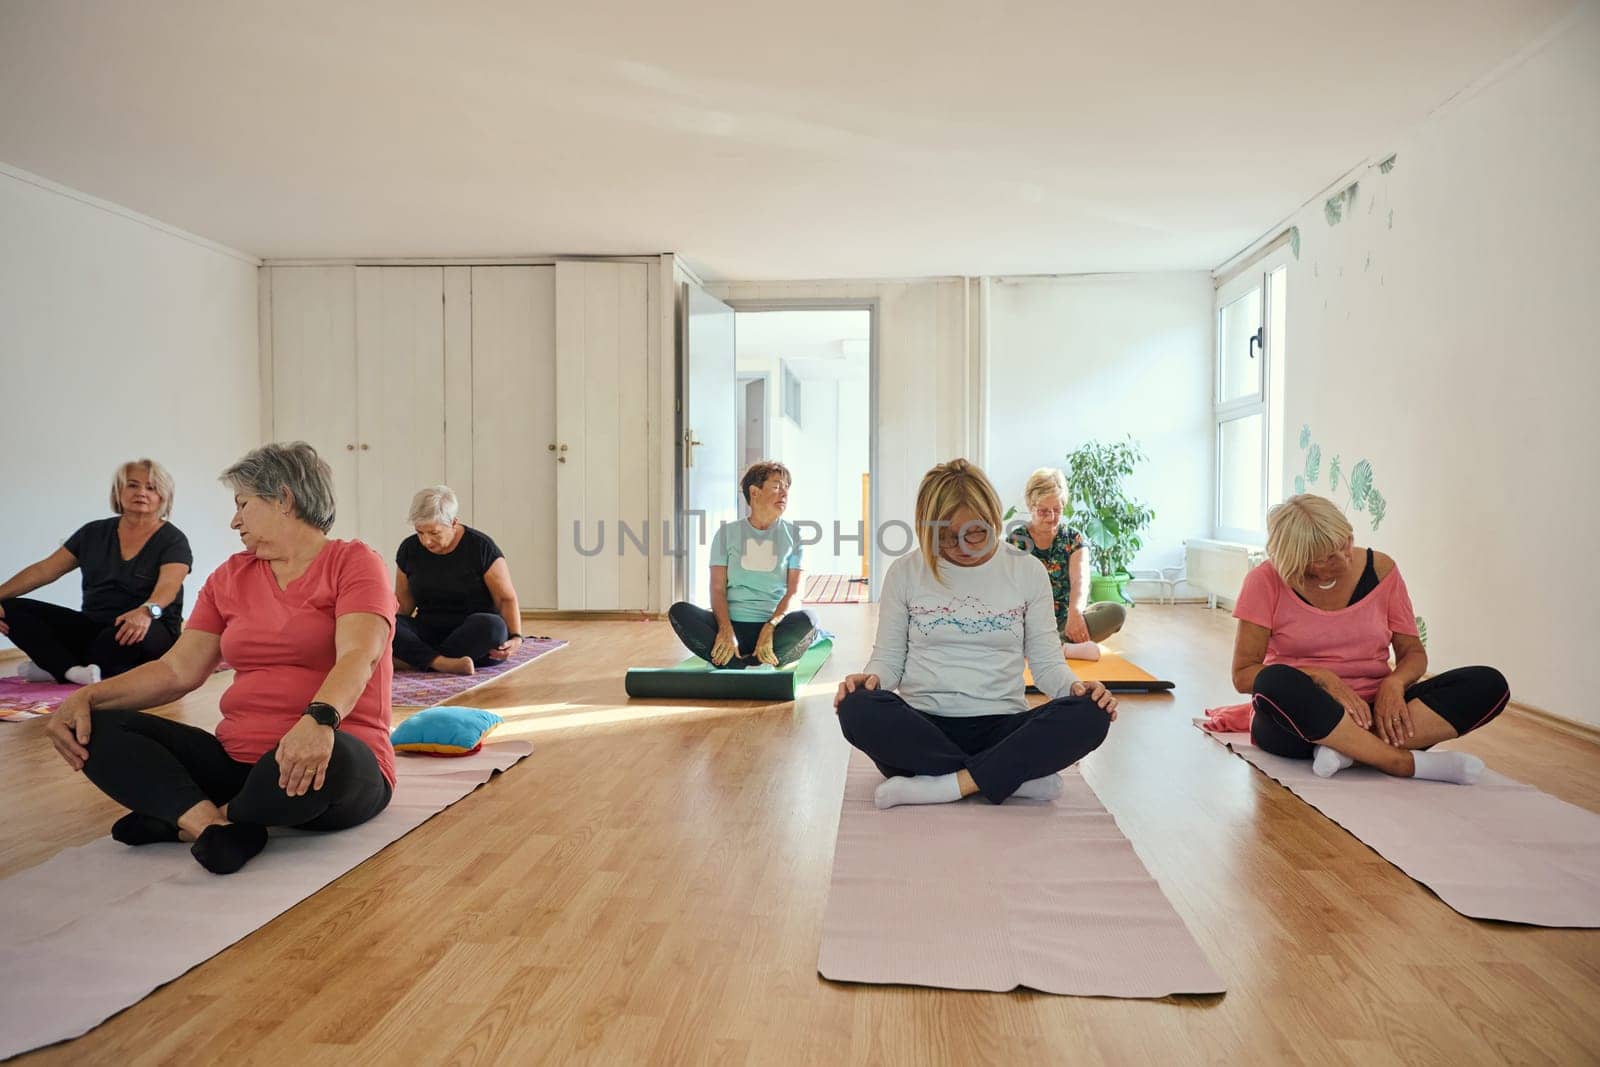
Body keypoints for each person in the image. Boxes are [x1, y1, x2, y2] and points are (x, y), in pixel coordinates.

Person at [45, 442, 397, 875]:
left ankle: (180, 816)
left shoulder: (355, 562)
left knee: (333, 760)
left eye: (243, 505)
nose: (235, 521)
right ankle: (211, 825)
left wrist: (318, 721)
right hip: (238, 763)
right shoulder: (229, 575)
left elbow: (360, 655)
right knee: (93, 725)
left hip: (335, 752)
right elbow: (177, 670)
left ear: (283, 499)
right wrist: (88, 699)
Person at [834, 458, 1118, 810]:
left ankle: (942, 785)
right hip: (924, 728)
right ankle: (1007, 777)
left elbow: (1046, 664)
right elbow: (889, 659)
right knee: (856, 707)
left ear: (993, 519)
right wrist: (870, 679)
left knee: (1091, 714)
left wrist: (1075, 688)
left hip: (1003, 728)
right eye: (946, 537)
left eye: (975, 533)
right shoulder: (905, 571)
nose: (962, 547)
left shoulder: (1026, 571)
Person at [1230, 494, 1508, 784]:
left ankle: (1346, 751)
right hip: (1300, 720)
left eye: (1345, 541)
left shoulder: (1381, 570)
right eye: (1326, 557)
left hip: (1377, 712)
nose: (1345, 556)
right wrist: (1319, 677)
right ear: (1297, 562)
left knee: (1489, 683)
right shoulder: (1264, 582)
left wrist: (1394, 684)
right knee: (1272, 681)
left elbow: (1413, 653)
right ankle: (1398, 761)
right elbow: (1243, 675)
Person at [0, 459, 192, 684]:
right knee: (9, 608)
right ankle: (70, 670)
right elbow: (44, 570)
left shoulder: (173, 540)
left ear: (163, 496)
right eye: (132, 485)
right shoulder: (93, 533)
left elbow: (169, 586)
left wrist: (146, 612)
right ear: (118, 491)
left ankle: (56, 666)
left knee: (121, 636)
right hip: (94, 625)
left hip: (148, 627)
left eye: (151, 487)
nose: (141, 492)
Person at [668, 460, 819, 669]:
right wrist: (725, 629)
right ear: (754, 492)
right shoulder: (726, 534)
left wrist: (771, 626)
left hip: (773, 628)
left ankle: (744, 659)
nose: (784, 494)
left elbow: (794, 592)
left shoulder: (794, 535)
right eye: (776, 487)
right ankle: (737, 657)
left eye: (786, 488)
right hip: (733, 625)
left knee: (808, 620)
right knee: (680, 611)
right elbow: (717, 588)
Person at [392, 486, 523, 675]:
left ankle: (417, 660)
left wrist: (516, 637)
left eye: (434, 533)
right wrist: (392, 627)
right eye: (420, 532)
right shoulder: (409, 549)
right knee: (384, 623)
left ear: (453, 522)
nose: (426, 541)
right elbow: (403, 603)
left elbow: (505, 598)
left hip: (471, 633)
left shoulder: (481, 547)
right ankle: (443, 663)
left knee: (493, 627)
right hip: (429, 630)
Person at [1006, 466, 1124, 660]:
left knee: (1115, 612)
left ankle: (1045, 649)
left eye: (1057, 510)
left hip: (1065, 622)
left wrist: (1075, 615)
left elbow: (1081, 581)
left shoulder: (1073, 539)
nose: (1052, 518)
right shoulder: (1017, 541)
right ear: (1030, 506)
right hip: (1029, 623)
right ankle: (1063, 650)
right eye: (1044, 511)